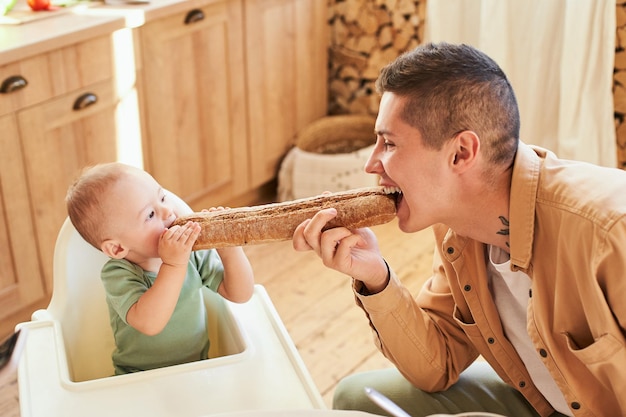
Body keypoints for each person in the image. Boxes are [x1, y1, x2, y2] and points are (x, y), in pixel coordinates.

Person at [292, 42, 626, 417]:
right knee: (359, 396)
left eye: (389, 143)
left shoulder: (610, 230)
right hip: (543, 399)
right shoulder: (458, 229)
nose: (372, 164)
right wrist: (375, 276)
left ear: (461, 153)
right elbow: (437, 365)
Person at [66, 162, 254, 374]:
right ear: (117, 248)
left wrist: (230, 250)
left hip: (198, 369)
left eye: (163, 198)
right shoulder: (118, 274)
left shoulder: (191, 253)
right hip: (137, 377)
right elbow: (150, 323)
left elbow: (241, 294)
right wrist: (173, 264)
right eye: (150, 215)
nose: (168, 211)